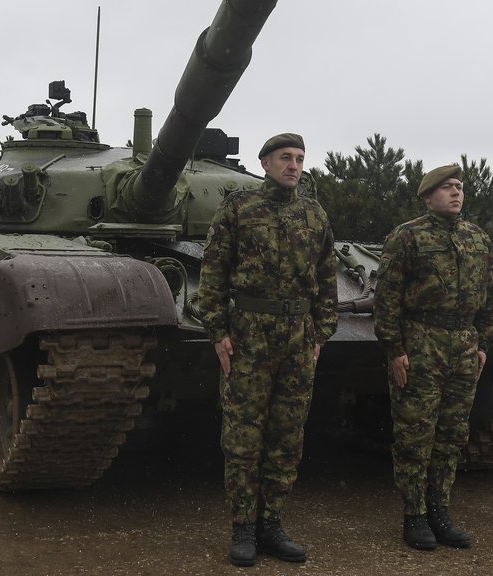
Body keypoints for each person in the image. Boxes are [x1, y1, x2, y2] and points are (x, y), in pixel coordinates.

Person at [196, 133, 338, 567]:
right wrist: (218, 330)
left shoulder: (315, 214)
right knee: (243, 437)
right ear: (265, 163)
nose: (293, 165)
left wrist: (321, 333)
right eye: (284, 158)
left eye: (298, 159)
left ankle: (272, 523)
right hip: (250, 333)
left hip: (298, 334)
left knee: (287, 436)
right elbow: (214, 271)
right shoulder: (240, 209)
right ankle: (243, 527)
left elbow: (327, 276)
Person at [373, 164, 493, 550]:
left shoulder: (477, 238)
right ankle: (414, 516)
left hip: (462, 346)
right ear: (428, 197)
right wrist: (395, 350)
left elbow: (489, 297)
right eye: (446, 188)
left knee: (451, 435)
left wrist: (483, 344)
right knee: (415, 435)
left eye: (459, 187)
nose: (456, 193)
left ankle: (440, 511)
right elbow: (387, 299)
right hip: (421, 344)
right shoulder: (407, 237)